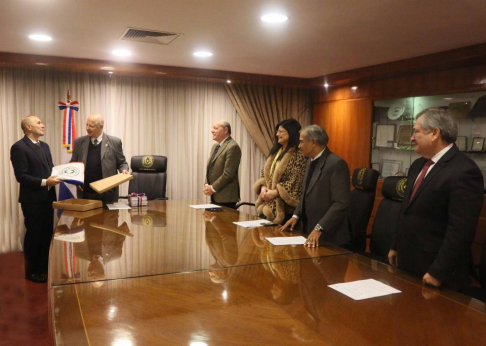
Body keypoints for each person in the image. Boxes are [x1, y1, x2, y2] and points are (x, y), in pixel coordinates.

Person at [388, 108, 484, 291]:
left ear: (434, 133)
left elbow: (461, 231)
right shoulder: (417, 165)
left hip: (437, 274)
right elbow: (406, 211)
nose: (411, 137)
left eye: (416, 131)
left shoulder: (464, 171)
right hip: (408, 263)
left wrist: (438, 272)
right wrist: (395, 245)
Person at [279, 125, 351, 248]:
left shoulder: (336, 164)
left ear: (313, 142)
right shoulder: (310, 161)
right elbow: (305, 193)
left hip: (330, 236)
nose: (299, 146)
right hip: (309, 232)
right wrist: (296, 215)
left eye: (301, 142)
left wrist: (319, 228)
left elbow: (341, 203)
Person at [10, 115, 61, 283]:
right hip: (32, 200)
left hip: (48, 197)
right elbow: (21, 176)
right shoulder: (19, 147)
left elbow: (51, 170)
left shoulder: (45, 146)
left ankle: (43, 267)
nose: (43, 125)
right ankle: (31, 272)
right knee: (34, 235)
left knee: (47, 234)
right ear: (28, 127)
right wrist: (46, 182)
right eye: (39, 123)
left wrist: (67, 176)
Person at [254, 119, 307, 224]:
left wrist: (275, 192)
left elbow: (296, 180)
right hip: (268, 203)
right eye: (277, 131)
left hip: (286, 209)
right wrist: (263, 187)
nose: (277, 134)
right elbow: (265, 172)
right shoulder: (276, 151)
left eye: (281, 131)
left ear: (291, 133)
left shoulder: (299, 153)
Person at [71, 113, 129, 203]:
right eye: (86, 124)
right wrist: (75, 181)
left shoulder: (114, 142)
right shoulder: (79, 142)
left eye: (91, 126)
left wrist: (124, 170)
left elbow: (122, 163)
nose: (87, 128)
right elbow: (73, 164)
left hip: (108, 192)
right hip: (85, 192)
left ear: (101, 126)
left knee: (109, 217)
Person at [203, 120, 242, 209]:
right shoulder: (215, 147)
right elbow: (210, 168)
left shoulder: (233, 147)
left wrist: (212, 188)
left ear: (225, 130)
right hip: (215, 196)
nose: (212, 131)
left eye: (215, 128)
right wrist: (207, 185)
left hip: (226, 198)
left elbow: (228, 174)